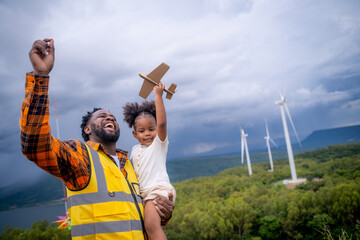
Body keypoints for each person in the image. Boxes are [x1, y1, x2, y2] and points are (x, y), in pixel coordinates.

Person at [20, 38, 174, 240]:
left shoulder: (130, 165)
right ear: (87, 128)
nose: (109, 118)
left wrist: (163, 213)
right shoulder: (80, 157)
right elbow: (34, 145)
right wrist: (40, 76)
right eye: (102, 116)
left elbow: (139, 215)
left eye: (112, 117)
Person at [123, 85, 176, 240]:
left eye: (151, 129)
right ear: (134, 134)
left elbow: (162, 124)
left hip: (156, 191)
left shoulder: (158, 145)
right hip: (143, 195)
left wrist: (158, 95)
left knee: (151, 226)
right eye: (142, 131)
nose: (147, 134)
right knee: (144, 229)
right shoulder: (134, 150)